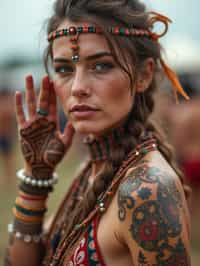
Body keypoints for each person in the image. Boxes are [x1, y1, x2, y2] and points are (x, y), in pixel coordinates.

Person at [5, 0, 191, 265]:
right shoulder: (93, 170)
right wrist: (36, 178)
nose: (78, 87)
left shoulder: (146, 191)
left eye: (101, 65)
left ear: (144, 75)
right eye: (64, 69)